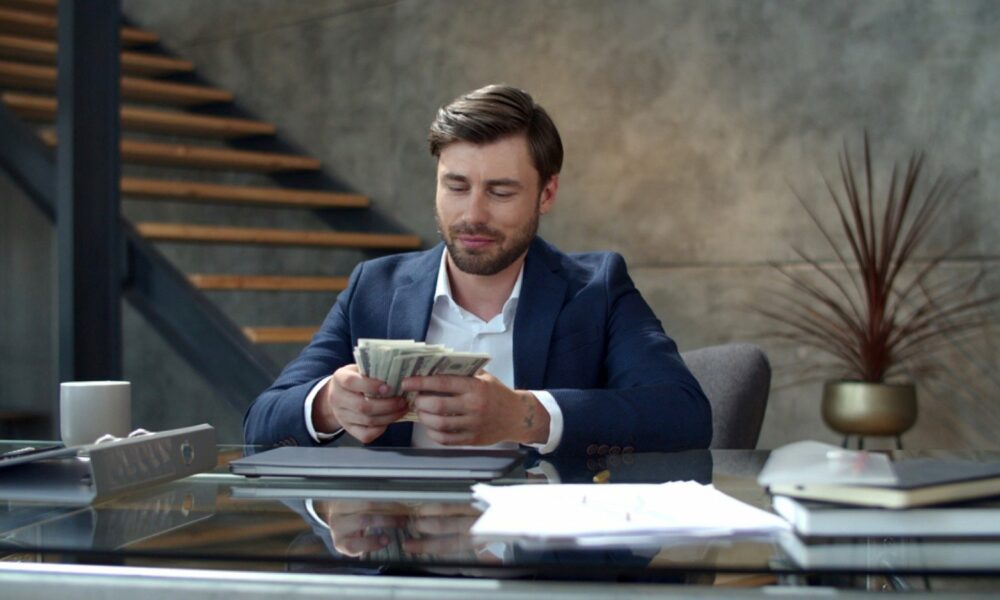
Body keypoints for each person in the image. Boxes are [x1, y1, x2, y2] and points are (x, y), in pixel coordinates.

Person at [244, 84, 712, 455]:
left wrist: (523, 415)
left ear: (547, 194)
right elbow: (261, 423)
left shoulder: (598, 289)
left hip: (540, 564)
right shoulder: (375, 288)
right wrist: (328, 404)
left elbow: (684, 414)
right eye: (456, 186)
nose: (473, 215)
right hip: (403, 564)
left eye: (501, 192)